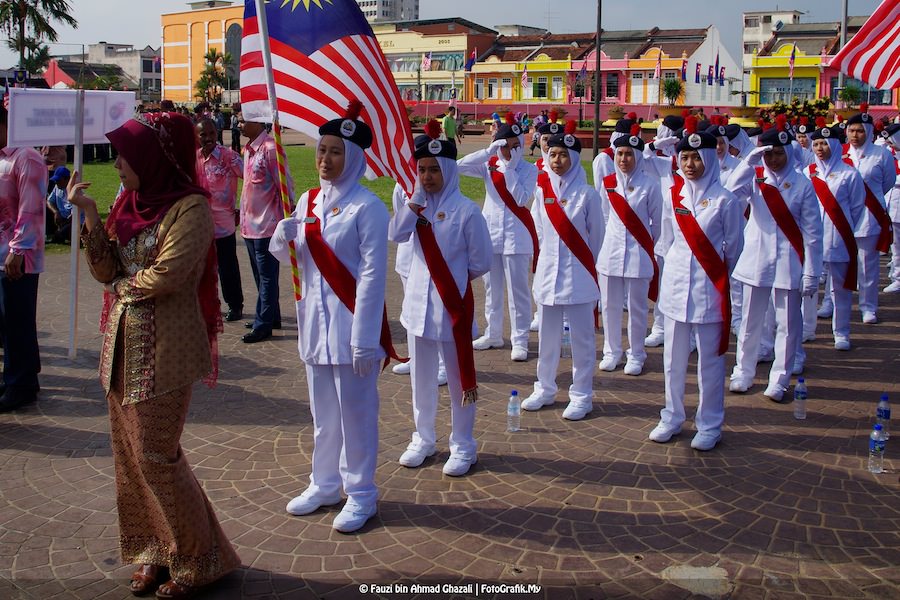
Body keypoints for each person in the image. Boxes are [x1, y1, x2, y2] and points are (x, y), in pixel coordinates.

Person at [66, 111, 240, 597]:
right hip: (121, 348)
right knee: (129, 459)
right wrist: (90, 214)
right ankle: (153, 550)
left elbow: (169, 273)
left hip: (167, 350)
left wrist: (121, 288)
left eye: (125, 155)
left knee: (156, 456)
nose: (117, 164)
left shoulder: (191, 209)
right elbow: (105, 271)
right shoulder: (130, 201)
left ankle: (197, 558)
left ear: (153, 158)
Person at [270, 101, 394, 533]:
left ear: (354, 157)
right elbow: (297, 259)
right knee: (323, 415)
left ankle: (361, 493)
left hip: (350, 328)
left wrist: (365, 338)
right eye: (321, 150)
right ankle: (323, 484)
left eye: (335, 152)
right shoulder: (308, 199)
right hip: (315, 326)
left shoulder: (368, 208)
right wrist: (282, 236)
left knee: (356, 415)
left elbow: (373, 277)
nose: (325, 159)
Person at [389, 119, 492, 477]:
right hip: (417, 307)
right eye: (422, 170)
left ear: (448, 170)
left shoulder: (467, 211)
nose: (428, 176)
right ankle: (423, 438)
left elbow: (481, 261)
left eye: (434, 170)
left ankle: (463, 444)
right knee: (421, 379)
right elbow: (396, 235)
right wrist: (413, 203)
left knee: (459, 378)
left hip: (452, 308)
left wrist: (452, 281)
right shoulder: (415, 206)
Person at [648, 117, 743, 451]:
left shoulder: (725, 200)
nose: (689, 164)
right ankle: (672, 416)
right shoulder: (673, 195)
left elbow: (734, 249)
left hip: (708, 289)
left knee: (710, 362)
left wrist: (721, 283)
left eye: (696, 158)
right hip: (676, 287)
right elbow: (667, 240)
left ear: (710, 159)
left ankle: (710, 423)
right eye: (685, 157)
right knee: (672, 361)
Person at [727, 120, 823, 401]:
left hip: (788, 262)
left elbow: (813, 234)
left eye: (779, 153)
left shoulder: (803, 185)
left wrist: (811, 272)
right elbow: (730, 195)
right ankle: (743, 371)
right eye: (768, 154)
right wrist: (748, 163)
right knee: (749, 322)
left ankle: (779, 379)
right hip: (756, 259)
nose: (773, 159)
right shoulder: (755, 178)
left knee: (787, 325)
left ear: (789, 153)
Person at [520, 121, 604, 421]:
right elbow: (539, 233)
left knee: (582, 341)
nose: (557, 160)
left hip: (579, 278)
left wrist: (587, 271)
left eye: (564, 155)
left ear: (575, 158)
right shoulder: (542, 192)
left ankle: (582, 395)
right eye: (553, 154)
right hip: (548, 276)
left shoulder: (588, 195)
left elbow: (597, 240)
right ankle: (544, 388)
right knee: (547, 339)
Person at [459, 112, 538, 361]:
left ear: (521, 145)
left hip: (517, 237)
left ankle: (520, 339)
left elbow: (521, 199)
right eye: (505, 146)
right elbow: (458, 166)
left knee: (518, 292)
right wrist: (487, 152)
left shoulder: (529, 169)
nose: (509, 151)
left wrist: (511, 170)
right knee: (491, 288)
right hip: (491, 235)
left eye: (515, 146)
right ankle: (493, 333)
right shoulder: (489, 165)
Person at [597, 125, 662, 376]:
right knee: (609, 306)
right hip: (611, 253)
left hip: (638, 253)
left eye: (629, 154)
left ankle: (636, 354)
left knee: (637, 308)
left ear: (638, 157)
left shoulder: (650, 185)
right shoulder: (608, 184)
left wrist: (647, 246)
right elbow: (603, 216)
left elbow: (658, 222)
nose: (624, 159)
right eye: (620, 154)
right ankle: (612, 351)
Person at [0, 102, 46, 412]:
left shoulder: (26, 157)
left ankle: (22, 384)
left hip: (18, 257)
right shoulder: (3, 159)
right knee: (6, 322)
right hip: (2, 253)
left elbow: (31, 208)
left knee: (17, 320)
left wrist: (18, 250)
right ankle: (17, 377)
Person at [807, 118, 866, 350]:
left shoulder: (849, 174)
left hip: (839, 236)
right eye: (816, 144)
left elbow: (857, 208)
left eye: (824, 143)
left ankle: (841, 333)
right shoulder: (807, 172)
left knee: (840, 289)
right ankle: (807, 328)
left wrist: (843, 227)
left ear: (834, 145)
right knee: (808, 286)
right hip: (812, 239)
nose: (820, 148)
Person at [238, 110, 294, 343]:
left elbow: (285, 185)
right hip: (249, 225)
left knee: (267, 277)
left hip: (267, 225)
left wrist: (288, 216)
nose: (239, 124)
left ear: (258, 121)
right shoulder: (249, 149)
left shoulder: (270, 149)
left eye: (243, 120)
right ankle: (271, 316)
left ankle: (263, 325)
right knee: (261, 277)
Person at [844, 104, 895, 324]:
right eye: (852, 130)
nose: (855, 135)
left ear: (869, 132)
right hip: (843, 216)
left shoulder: (881, 154)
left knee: (867, 265)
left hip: (869, 215)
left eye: (860, 131)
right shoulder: (840, 153)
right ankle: (831, 302)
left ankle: (868, 307)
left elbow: (888, 182)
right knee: (838, 263)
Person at [196, 117, 245, 322]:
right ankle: (208, 305)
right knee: (204, 269)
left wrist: (242, 208)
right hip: (200, 225)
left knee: (228, 268)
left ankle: (235, 305)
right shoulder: (194, 159)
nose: (208, 138)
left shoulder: (229, 157)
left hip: (224, 224)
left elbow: (251, 179)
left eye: (212, 133)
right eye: (203, 134)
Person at [880, 123, 900, 293]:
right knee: (896, 246)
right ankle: (897, 277)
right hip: (892, 207)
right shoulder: (888, 155)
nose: (889, 143)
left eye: (891, 140)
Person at [45, 166, 76, 243]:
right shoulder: (57, 187)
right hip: (61, 218)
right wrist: (56, 212)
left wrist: (63, 223)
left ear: (67, 179)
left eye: (58, 180)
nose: (56, 182)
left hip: (73, 221)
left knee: (60, 234)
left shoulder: (75, 191)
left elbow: (74, 215)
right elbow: (49, 201)